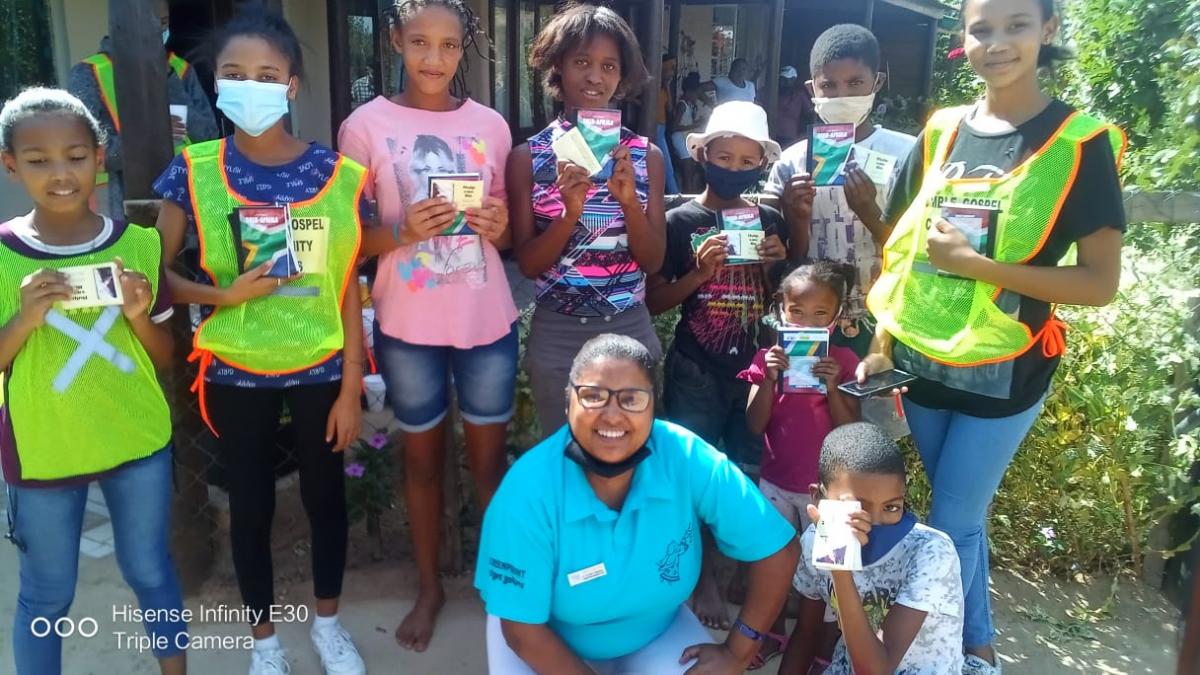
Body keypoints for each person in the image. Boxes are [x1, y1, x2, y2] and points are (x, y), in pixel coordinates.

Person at [859, 0, 1126, 671]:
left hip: (1005, 371)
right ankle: (978, 644)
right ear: (963, 37)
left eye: (1017, 25)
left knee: (950, 521)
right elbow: (900, 248)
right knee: (961, 519)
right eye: (982, 28)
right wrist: (881, 343)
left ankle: (928, 654)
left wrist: (979, 267)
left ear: (1049, 30)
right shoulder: (942, 131)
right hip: (922, 362)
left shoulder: (1080, 144)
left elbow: (1099, 282)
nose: (997, 42)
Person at [153, 8, 369, 674]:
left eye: (267, 75)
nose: (251, 86)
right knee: (249, 506)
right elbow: (151, 277)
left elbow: (345, 283)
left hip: (320, 364)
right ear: (216, 84)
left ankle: (328, 627)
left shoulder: (338, 174)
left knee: (325, 498)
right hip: (236, 367)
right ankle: (265, 643)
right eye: (235, 73)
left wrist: (353, 384)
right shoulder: (192, 171)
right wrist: (224, 296)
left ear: (292, 86)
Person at [338, 0, 518, 653]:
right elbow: (347, 240)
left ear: (464, 48)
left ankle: (503, 584)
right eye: (419, 42)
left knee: (489, 462)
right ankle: (428, 585)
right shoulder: (364, 127)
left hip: (486, 319)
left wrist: (500, 227)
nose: (433, 58)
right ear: (395, 40)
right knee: (420, 461)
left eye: (447, 44)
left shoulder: (491, 126)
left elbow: (509, 232)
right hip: (407, 324)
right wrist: (401, 231)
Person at [475, 334, 801, 674]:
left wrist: (738, 651)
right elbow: (522, 632)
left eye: (631, 399)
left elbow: (777, 550)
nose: (612, 415)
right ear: (568, 400)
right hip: (543, 642)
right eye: (593, 396)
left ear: (653, 406)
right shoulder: (527, 490)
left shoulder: (686, 457)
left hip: (654, 633)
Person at [0, 87, 187, 675]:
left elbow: (164, 356)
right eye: (38, 160)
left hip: (136, 441)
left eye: (76, 156)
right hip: (45, 451)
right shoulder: (3, 255)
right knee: (47, 591)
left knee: (150, 569)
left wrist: (138, 315)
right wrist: (23, 320)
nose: (61, 173)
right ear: (11, 165)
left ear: (99, 158)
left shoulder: (139, 244)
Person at [509, 3, 668, 437]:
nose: (595, 76)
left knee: (629, 451)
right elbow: (529, 264)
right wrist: (568, 216)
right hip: (557, 332)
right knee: (565, 453)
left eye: (608, 66)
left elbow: (653, 261)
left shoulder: (645, 156)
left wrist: (629, 204)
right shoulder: (528, 157)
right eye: (581, 62)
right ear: (558, 67)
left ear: (622, 75)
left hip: (628, 327)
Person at [763, 24, 916, 438]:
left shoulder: (907, 154)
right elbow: (786, 262)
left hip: (882, 323)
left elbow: (914, 252)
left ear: (877, 83)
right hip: (812, 323)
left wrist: (869, 212)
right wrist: (796, 217)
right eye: (829, 85)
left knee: (876, 436)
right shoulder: (792, 162)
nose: (841, 95)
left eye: (855, 83)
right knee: (811, 427)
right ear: (812, 88)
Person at [738, 261, 862, 667]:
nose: (807, 322)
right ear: (781, 310)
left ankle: (821, 644)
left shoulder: (843, 361)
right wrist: (769, 379)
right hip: (775, 482)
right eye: (797, 311)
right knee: (771, 560)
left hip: (830, 491)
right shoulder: (768, 359)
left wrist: (833, 387)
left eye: (820, 313)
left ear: (837, 315)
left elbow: (850, 429)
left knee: (830, 567)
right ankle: (771, 632)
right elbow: (754, 425)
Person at [779, 422, 966, 674]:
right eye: (859, 507)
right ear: (819, 499)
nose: (874, 523)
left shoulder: (931, 553)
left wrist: (839, 567)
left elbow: (877, 671)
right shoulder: (815, 540)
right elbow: (807, 632)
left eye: (891, 507)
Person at [67, 0, 219, 218]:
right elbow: (85, 153)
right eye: (150, 23)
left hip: (185, 203)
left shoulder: (181, 70)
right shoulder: (89, 73)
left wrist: (168, 78)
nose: (158, 30)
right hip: (117, 210)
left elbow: (210, 138)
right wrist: (150, 138)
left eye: (164, 23)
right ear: (122, 23)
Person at [669, 72, 711, 193]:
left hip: (684, 139)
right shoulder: (682, 105)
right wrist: (694, 125)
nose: (696, 98)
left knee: (691, 173)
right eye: (695, 94)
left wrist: (697, 122)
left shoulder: (689, 105)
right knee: (688, 175)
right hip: (680, 140)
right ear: (689, 92)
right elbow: (674, 127)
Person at [768, 66, 813, 149]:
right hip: (772, 136)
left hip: (790, 136)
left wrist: (804, 134)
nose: (782, 82)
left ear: (793, 80)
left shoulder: (799, 95)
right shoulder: (773, 92)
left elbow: (810, 113)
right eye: (781, 79)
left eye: (786, 80)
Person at [657, 54, 681, 194]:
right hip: (655, 128)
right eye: (670, 67)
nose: (671, 71)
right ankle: (674, 193)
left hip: (662, 128)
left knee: (666, 161)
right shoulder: (652, 86)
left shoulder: (664, 87)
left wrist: (667, 86)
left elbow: (670, 109)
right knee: (666, 164)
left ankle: (673, 192)